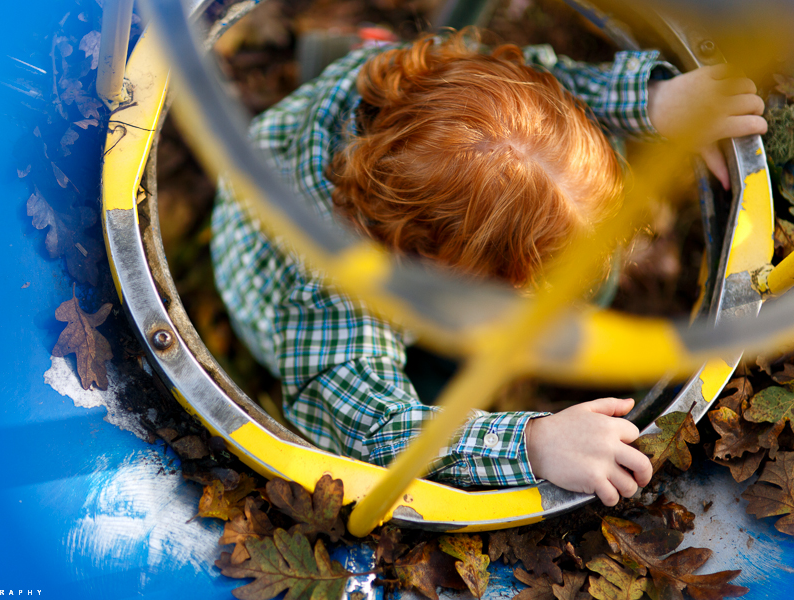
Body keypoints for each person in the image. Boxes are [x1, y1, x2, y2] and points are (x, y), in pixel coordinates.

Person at [210, 29, 767, 506]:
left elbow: (551, 83)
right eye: (527, 283)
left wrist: (652, 101)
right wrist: (535, 445)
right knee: (439, 381)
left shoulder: (442, 83)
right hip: (278, 296)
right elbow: (372, 425)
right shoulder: (337, 293)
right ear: (430, 260)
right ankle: (449, 366)